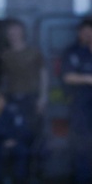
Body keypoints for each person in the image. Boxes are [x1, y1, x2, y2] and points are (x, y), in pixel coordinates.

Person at [0, 19, 46, 133]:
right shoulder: (4, 55)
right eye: (11, 32)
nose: (14, 34)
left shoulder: (34, 52)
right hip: (11, 96)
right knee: (13, 129)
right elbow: (3, 78)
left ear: (22, 32)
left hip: (31, 97)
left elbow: (43, 74)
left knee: (32, 128)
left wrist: (42, 97)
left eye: (16, 31)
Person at [61, 16, 92, 184]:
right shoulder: (72, 52)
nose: (87, 35)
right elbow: (68, 77)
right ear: (79, 33)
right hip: (81, 105)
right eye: (84, 31)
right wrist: (88, 79)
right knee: (83, 145)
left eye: (90, 31)